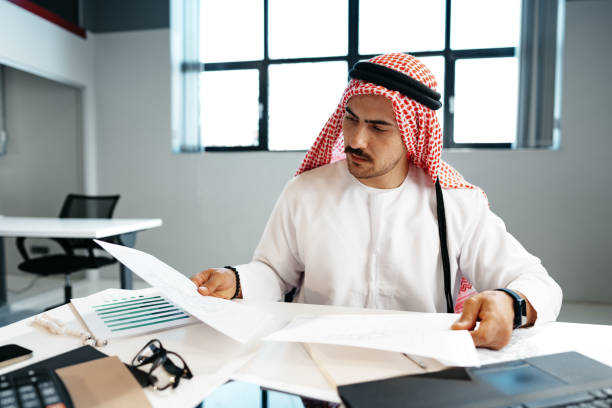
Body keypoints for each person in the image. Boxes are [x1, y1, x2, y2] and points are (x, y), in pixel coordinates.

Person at [190, 53, 562, 350]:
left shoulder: (455, 202)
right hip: (314, 358)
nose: (355, 140)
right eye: (351, 120)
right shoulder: (304, 191)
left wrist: (511, 304)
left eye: (379, 127)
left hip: (419, 366)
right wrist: (237, 279)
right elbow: (274, 272)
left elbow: (539, 284)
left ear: (414, 133)